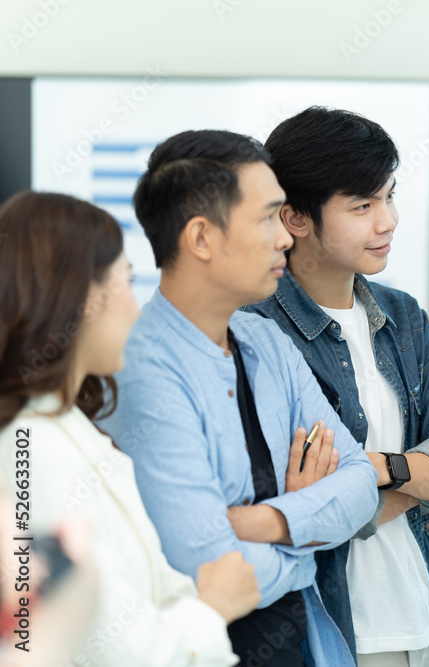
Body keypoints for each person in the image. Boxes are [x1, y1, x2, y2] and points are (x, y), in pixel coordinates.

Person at [97, 130, 379, 667]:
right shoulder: (142, 370)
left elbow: (360, 482)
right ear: (201, 238)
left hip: (301, 641)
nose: (286, 239)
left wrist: (266, 521)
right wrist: (307, 530)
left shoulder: (267, 341)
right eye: (268, 217)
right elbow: (207, 566)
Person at [245, 106, 429, 667]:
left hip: (427, 626)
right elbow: (292, 505)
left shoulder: (403, 318)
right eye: (363, 206)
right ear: (296, 218)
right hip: (329, 637)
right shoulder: (256, 331)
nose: (389, 220)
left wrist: (378, 471)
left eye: (390, 196)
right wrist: (418, 478)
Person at [0, 191, 260, 666]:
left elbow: (154, 595)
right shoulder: (34, 451)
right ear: (80, 295)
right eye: (126, 281)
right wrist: (214, 606)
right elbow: (114, 649)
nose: (137, 310)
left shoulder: (61, 431)